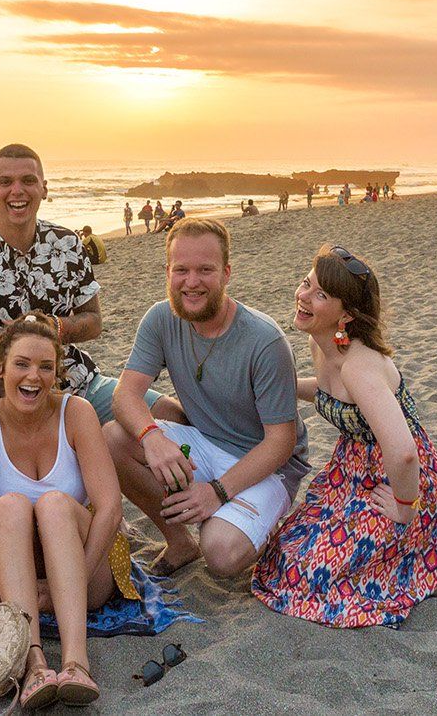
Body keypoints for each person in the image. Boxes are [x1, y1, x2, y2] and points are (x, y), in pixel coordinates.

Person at [252, 245, 437, 626]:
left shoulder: (359, 367)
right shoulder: (321, 343)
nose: (304, 296)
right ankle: (410, 568)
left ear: (346, 315)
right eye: (306, 284)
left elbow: (404, 453)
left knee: (312, 574)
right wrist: (280, 388)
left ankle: (418, 568)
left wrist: (404, 508)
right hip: (351, 473)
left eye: (320, 295)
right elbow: (328, 392)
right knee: (286, 552)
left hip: (399, 483)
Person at [103, 218, 311, 578]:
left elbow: (281, 442)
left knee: (221, 555)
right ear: (168, 272)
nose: (192, 282)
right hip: (205, 442)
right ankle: (180, 542)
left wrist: (216, 493)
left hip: (266, 465)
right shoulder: (160, 319)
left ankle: (260, 524)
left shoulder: (264, 341)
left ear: (226, 273)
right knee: (113, 438)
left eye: (205, 270)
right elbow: (126, 394)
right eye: (181, 270)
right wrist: (152, 438)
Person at [0, 313, 135, 708]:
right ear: (0, 368)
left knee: (54, 503)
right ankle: (34, 661)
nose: (33, 377)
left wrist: (72, 579)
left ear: (58, 372)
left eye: (46, 367)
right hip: (15, 578)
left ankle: (76, 661)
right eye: (22, 364)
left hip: (85, 572)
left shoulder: (77, 412)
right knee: (10, 505)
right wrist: (8, 578)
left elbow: (109, 508)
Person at [0, 143, 181, 426]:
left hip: (76, 382)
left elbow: (94, 321)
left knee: (172, 414)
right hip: (2, 399)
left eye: (28, 180)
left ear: (44, 189)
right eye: (6, 182)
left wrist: (55, 326)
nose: (17, 190)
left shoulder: (68, 245)